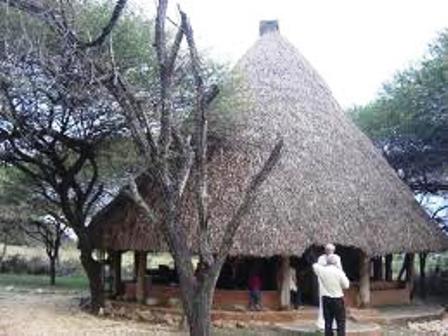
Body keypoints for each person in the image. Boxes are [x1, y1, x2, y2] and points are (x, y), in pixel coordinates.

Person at [313, 254, 350, 336]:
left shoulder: (322, 270)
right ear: (336, 263)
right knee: (340, 323)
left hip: (326, 299)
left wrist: (324, 264)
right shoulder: (339, 272)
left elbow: (315, 265)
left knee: (328, 322)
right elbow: (346, 285)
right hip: (337, 299)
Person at [316, 244, 342, 329]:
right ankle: (322, 322)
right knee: (324, 304)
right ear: (325, 250)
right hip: (324, 285)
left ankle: (334, 324)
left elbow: (339, 270)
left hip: (334, 285)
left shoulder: (337, 258)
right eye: (328, 250)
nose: (329, 251)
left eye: (331, 250)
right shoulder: (321, 258)